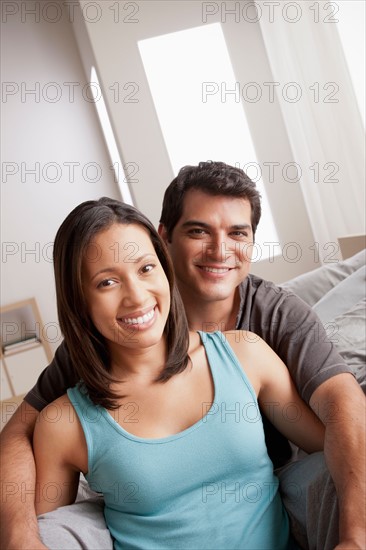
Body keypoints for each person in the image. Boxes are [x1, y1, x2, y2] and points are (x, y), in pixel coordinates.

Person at [0, 162, 365, 549]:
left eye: (144, 269)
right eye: (106, 282)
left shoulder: (254, 345)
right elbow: (23, 452)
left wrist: (354, 537)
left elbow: (339, 427)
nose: (136, 297)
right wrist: (19, 537)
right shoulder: (65, 413)